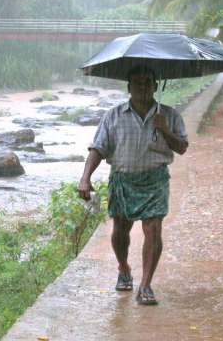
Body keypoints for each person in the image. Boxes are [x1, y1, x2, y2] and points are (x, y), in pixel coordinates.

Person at [78, 65, 189, 306]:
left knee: (153, 230)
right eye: (137, 82)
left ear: (155, 86)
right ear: (128, 87)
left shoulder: (169, 115)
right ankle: (124, 267)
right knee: (120, 230)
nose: (142, 86)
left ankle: (146, 285)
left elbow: (181, 147)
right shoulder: (113, 115)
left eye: (147, 81)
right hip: (123, 179)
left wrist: (165, 129)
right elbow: (98, 148)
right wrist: (85, 177)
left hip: (155, 180)